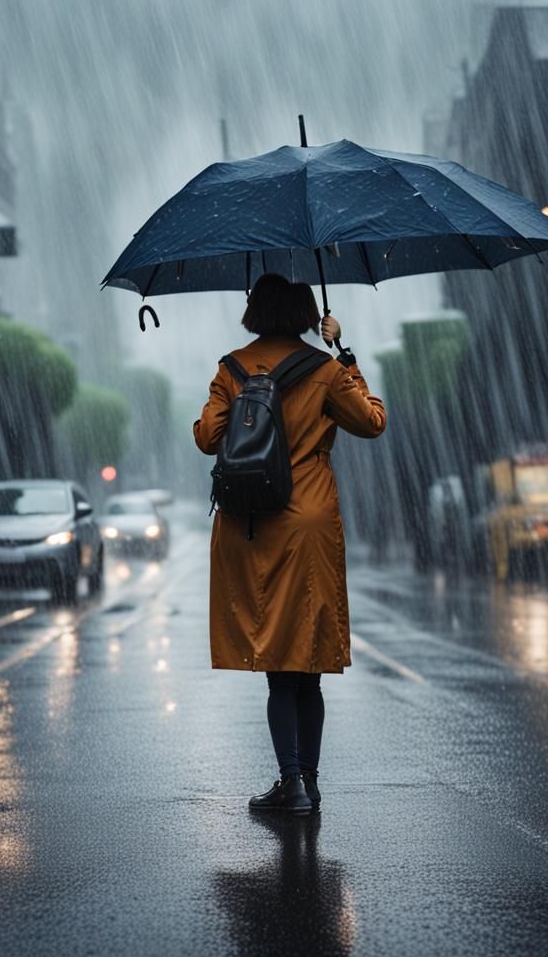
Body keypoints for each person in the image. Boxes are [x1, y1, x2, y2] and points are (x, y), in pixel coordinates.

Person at [193, 273, 387, 814]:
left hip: (254, 522)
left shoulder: (231, 368)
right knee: (309, 660)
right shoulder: (325, 371)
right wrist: (343, 354)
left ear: (254, 312)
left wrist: (224, 409)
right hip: (310, 523)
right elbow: (373, 422)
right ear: (306, 312)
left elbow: (208, 438)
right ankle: (308, 780)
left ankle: (291, 783)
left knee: (278, 660)